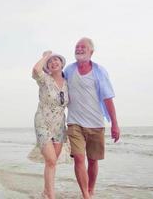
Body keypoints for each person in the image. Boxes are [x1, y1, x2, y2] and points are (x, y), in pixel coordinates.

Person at [64, 37, 120, 199]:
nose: (79, 49)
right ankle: (85, 195)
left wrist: (115, 124)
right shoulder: (69, 70)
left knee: (93, 160)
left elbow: (108, 98)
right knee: (79, 158)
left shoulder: (99, 71)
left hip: (96, 123)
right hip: (74, 123)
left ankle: (91, 189)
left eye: (83, 47)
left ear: (91, 52)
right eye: (77, 46)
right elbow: (57, 84)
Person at [28, 50, 69, 199]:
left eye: (56, 60)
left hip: (59, 126)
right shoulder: (44, 79)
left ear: (62, 64)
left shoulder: (67, 84)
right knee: (51, 160)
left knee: (52, 163)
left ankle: (46, 192)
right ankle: (51, 196)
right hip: (42, 122)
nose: (53, 62)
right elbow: (35, 70)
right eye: (50, 62)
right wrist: (45, 56)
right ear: (47, 66)